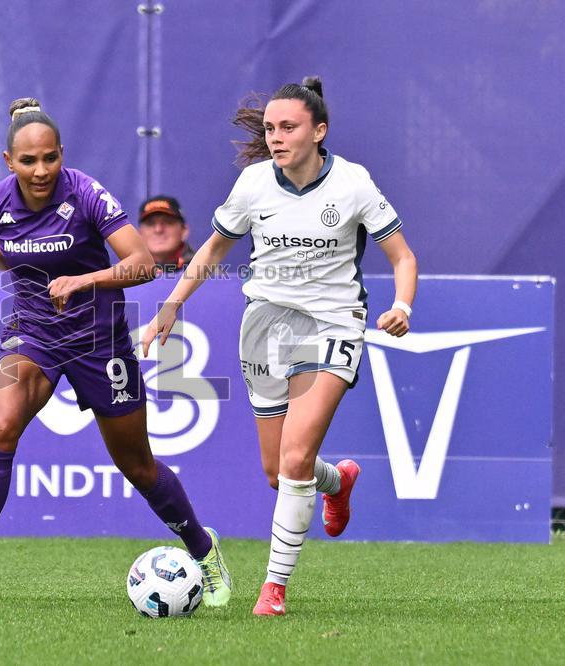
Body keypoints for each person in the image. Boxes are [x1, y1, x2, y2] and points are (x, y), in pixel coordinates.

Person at [0, 98, 231, 606]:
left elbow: (143, 263)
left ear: (62, 153)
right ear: (9, 162)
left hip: (100, 342)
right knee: (1, 426)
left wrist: (85, 280)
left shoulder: (85, 194)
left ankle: (204, 550)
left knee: (138, 466)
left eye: (50, 158)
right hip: (33, 335)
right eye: (28, 161)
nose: (41, 171)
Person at [142, 77, 417, 616]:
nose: (275, 137)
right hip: (266, 328)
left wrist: (402, 307)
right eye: (270, 128)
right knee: (279, 470)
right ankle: (337, 482)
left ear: (319, 131)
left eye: (288, 127)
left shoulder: (354, 183)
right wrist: (170, 306)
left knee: (294, 458)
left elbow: (403, 256)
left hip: (334, 326)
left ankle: (273, 590)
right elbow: (212, 250)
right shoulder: (253, 184)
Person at [138, 195, 195, 273]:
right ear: (140, 233)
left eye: (168, 222)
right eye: (150, 223)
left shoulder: (206, 272)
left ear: (184, 230)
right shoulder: (127, 275)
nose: (158, 230)